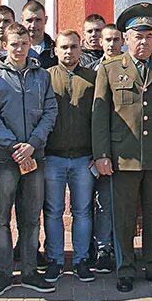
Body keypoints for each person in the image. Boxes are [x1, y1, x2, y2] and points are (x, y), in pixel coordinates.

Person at [92, 2, 152, 292]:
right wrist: (102, 154)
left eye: (149, 36)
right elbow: (100, 117)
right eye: (138, 36)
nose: (144, 41)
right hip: (123, 156)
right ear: (126, 38)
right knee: (123, 217)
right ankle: (125, 269)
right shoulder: (109, 69)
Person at [0, 22, 58, 296]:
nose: (18, 48)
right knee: (1, 219)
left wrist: (33, 143)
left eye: (23, 43)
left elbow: (50, 111)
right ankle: (3, 274)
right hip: (5, 157)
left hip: (34, 156)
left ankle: (29, 272)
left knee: (30, 217)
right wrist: (14, 145)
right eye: (13, 44)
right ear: (5, 45)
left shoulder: (42, 76)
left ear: (29, 44)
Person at [43, 30, 97, 283]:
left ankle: (81, 260)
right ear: (55, 49)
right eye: (64, 47)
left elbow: (100, 119)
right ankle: (54, 260)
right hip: (52, 157)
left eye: (74, 47)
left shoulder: (93, 79)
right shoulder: (45, 78)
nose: (69, 51)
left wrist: (99, 153)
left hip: (84, 158)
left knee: (83, 211)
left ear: (81, 49)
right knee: (53, 211)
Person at [89, 22, 124, 272]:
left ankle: (108, 249)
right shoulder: (90, 70)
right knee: (89, 204)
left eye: (116, 39)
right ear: (100, 42)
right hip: (91, 148)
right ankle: (93, 247)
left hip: (120, 148)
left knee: (110, 203)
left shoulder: (128, 66)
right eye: (107, 40)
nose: (111, 44)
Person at [21, 0, 57, 68]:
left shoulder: (56, 50)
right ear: (22, 20)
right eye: (29, 20)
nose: (33, 25)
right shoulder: (16, 50)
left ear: (45, 20)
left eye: (38, 20)